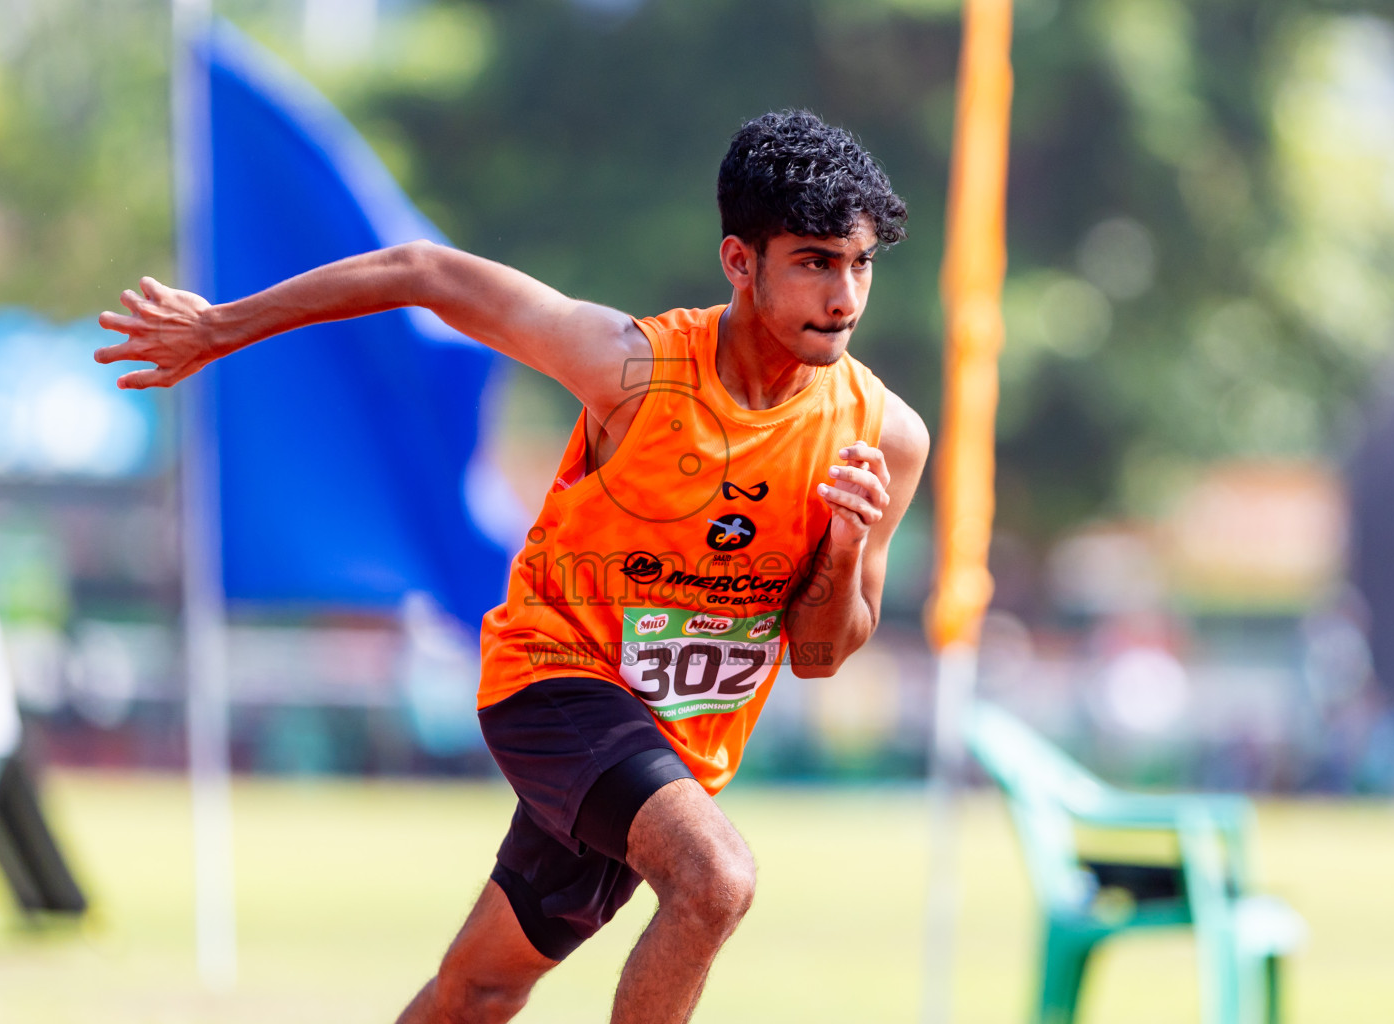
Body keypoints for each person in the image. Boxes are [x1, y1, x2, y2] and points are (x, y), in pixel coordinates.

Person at [96, 109, 929, 1024]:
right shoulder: (634, 367)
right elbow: (425, 272)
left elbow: (818, 654)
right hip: (553, 684)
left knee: (481, 989)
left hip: (669, 748)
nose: (845, 295)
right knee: (715, 880)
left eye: (861, 263)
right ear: (741, 261)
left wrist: (845, 548)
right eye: (814, 260)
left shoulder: (882, 437)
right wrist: (222, 328)